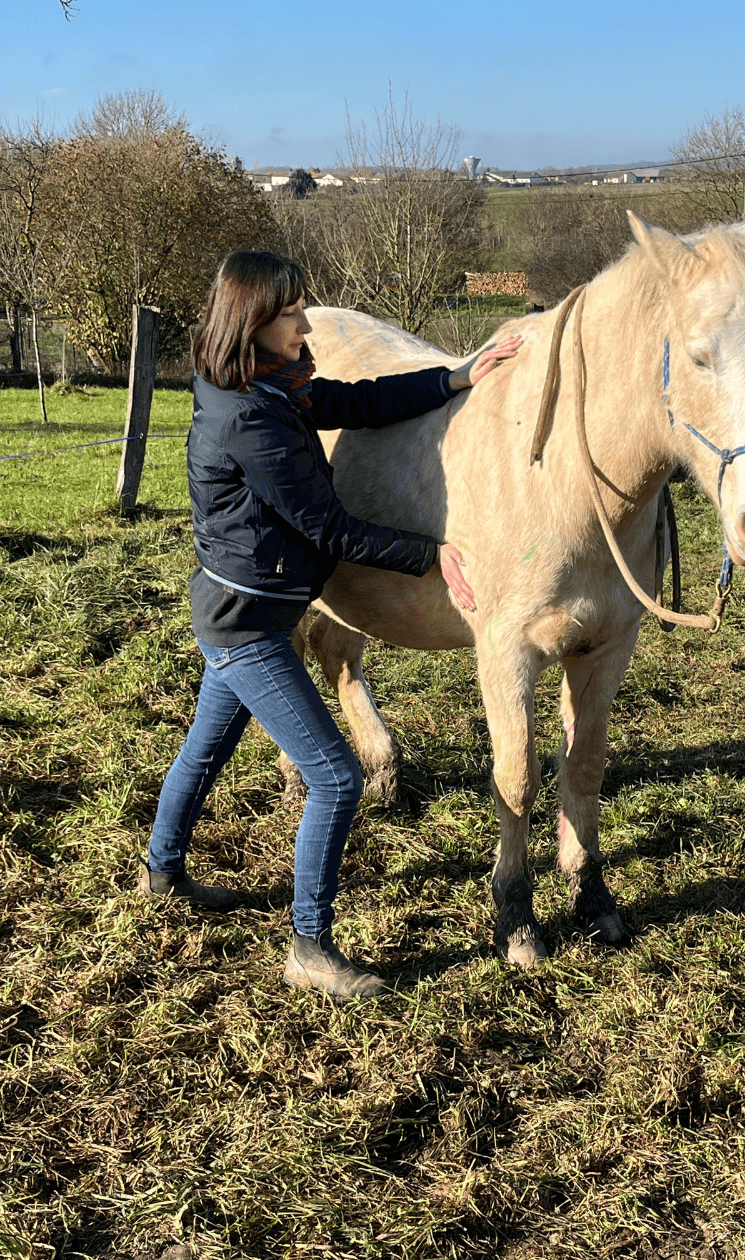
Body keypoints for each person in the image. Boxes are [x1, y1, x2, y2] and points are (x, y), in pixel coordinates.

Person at [138, 249, 522, 1001]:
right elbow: (328, 528)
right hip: (249, 625)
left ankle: (163, 873)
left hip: (238, 611)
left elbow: (356, 402)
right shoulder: (253, 417)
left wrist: (453, 378)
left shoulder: (266, 388)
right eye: (290, 313)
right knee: (336, 777)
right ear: (253, 320)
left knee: (205, 747)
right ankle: (309, 948)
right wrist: (431, 553)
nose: (305, 323)